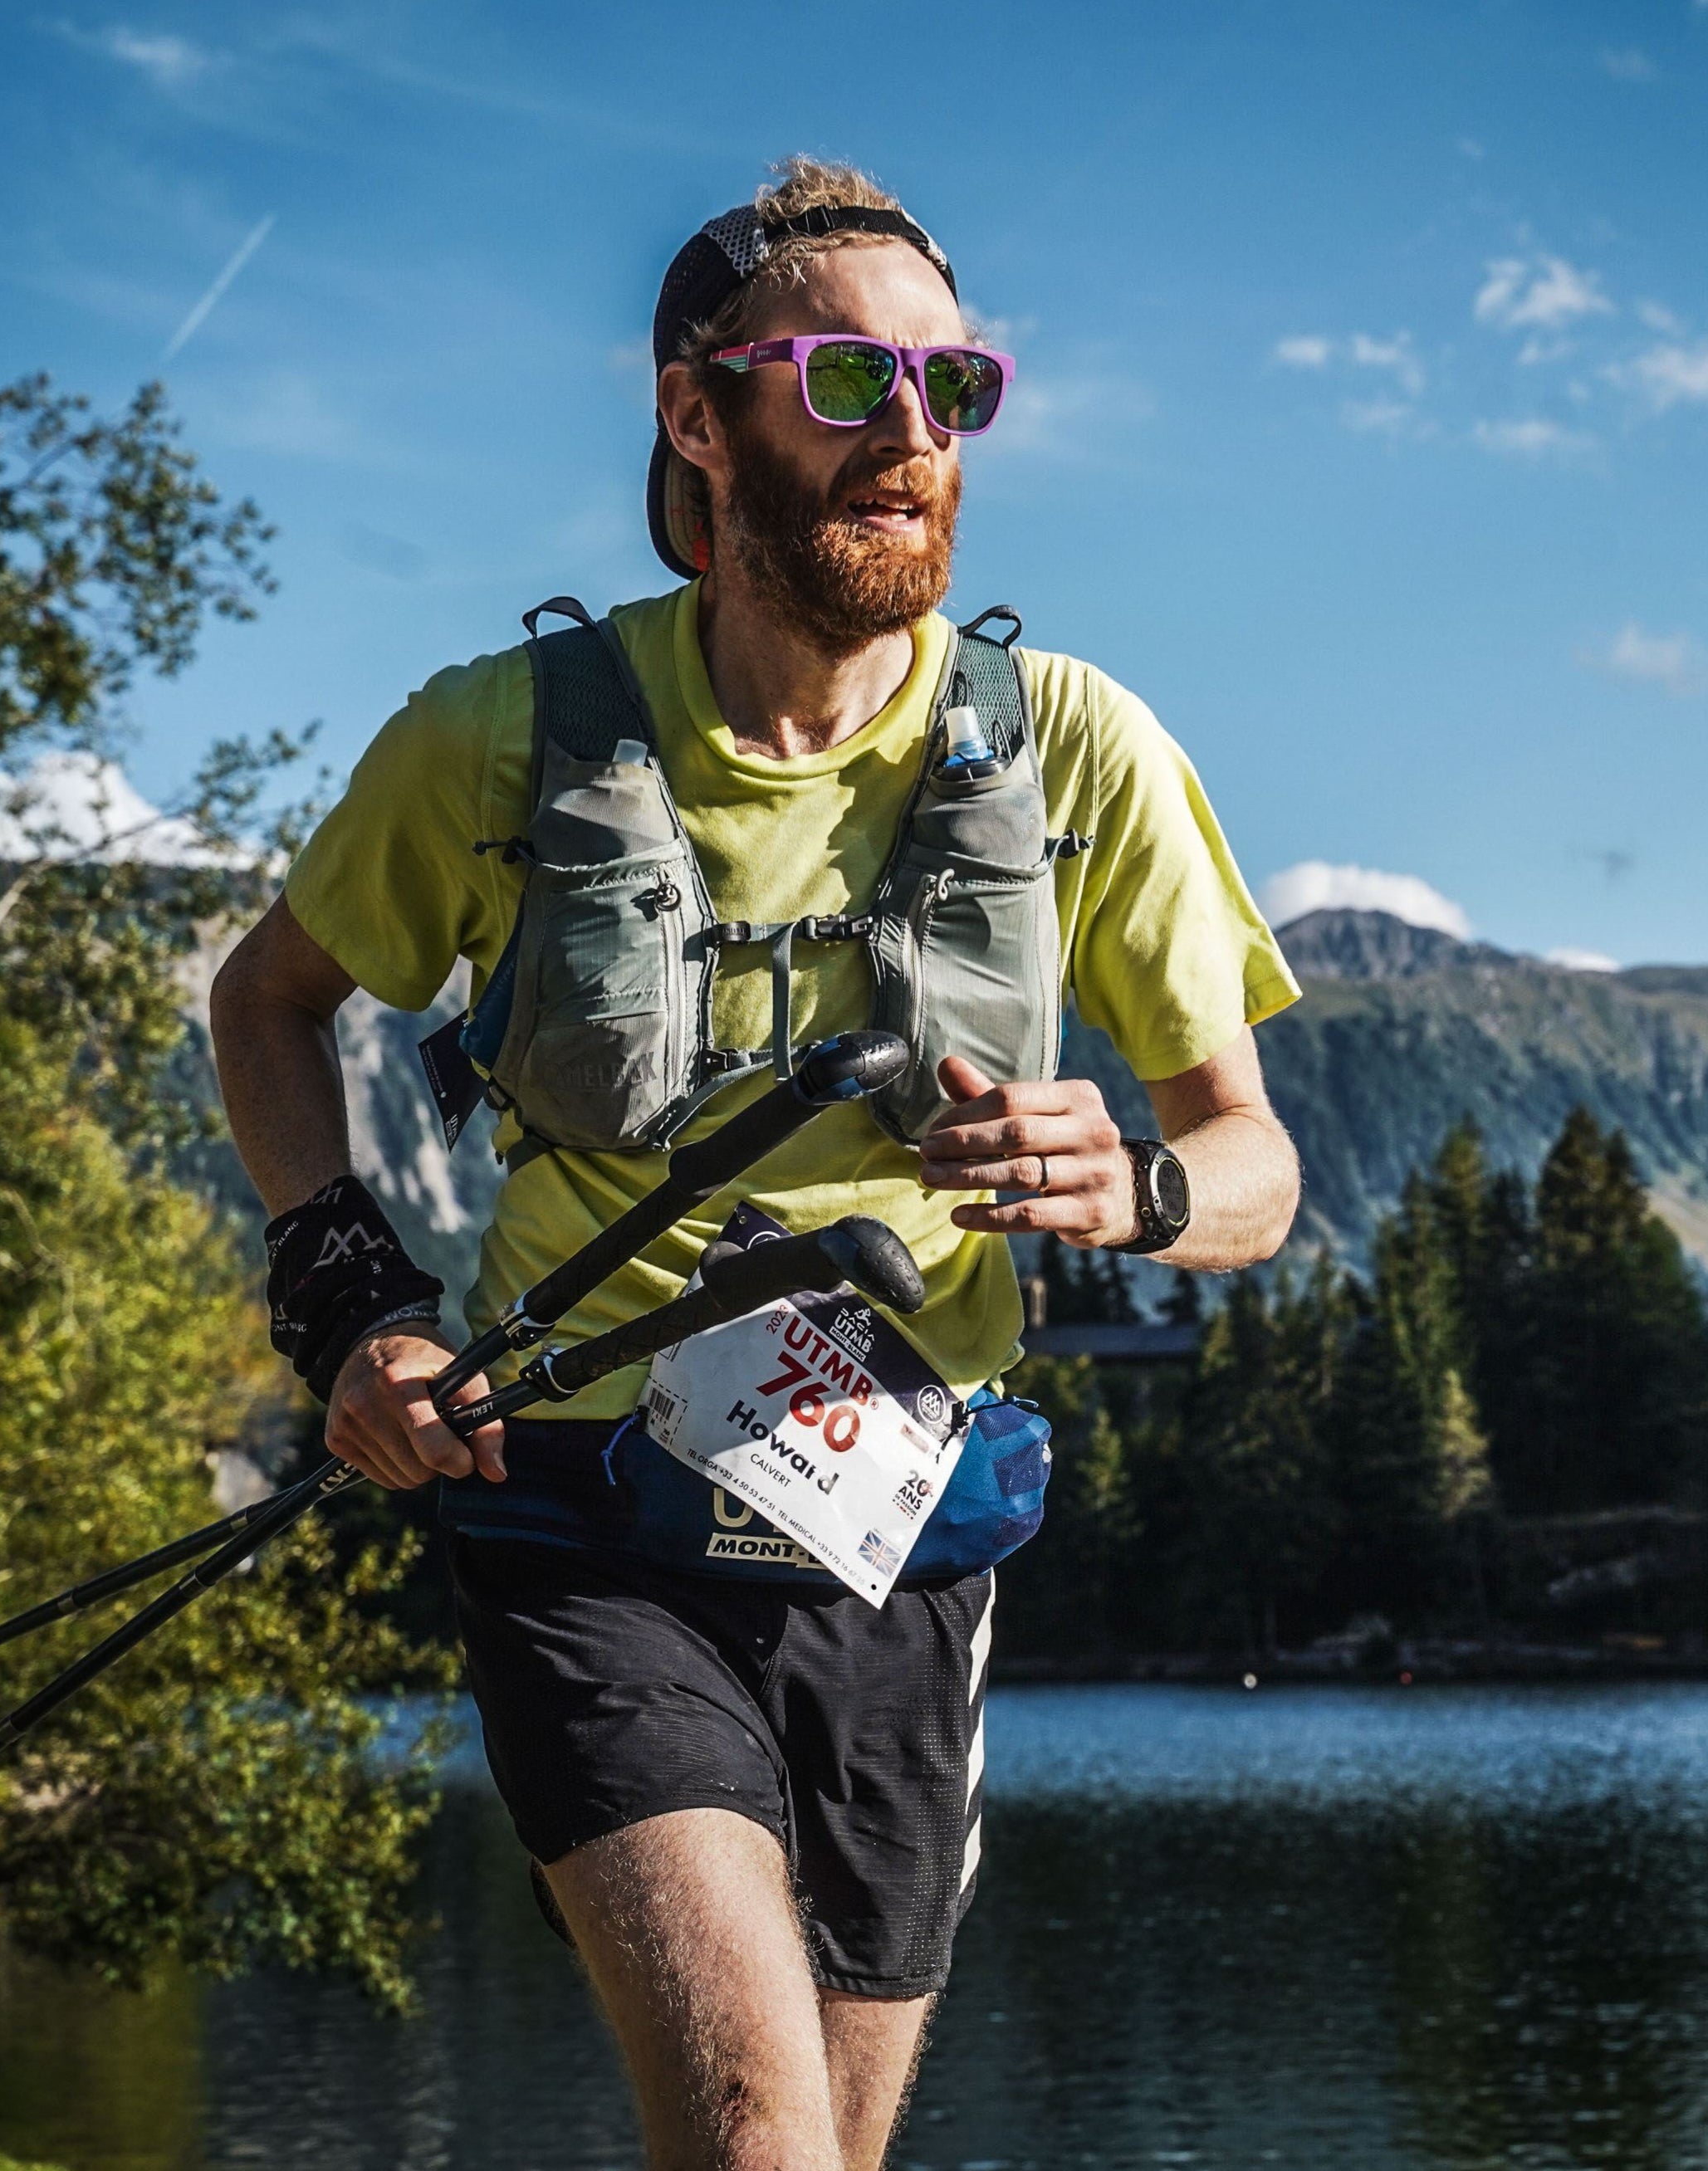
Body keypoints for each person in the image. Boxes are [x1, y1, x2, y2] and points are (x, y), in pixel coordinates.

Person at [208, 156, 1302, 2171]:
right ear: (694, 415)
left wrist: (1140, 1188)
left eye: (953, 389)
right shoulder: (498, 740)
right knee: (752, 2138)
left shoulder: (1078, 748)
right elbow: (264, 1005)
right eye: (843, 378)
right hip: (579, 1507)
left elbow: (1252, 1162)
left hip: (899, 1533)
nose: (910, 433)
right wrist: (348, 1299)